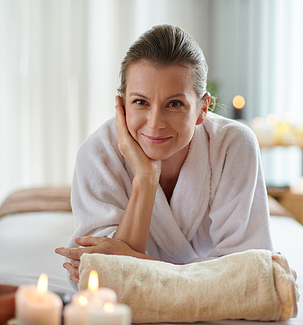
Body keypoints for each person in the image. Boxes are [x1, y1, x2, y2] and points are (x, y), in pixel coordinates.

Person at [55, 24, 272, 288]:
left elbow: (246, 275)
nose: (155, 123)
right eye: (140, 102)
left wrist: (137, 265)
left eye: (174, 104)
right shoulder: (97, 155)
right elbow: (101, 285)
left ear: (203, 108)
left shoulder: (234, 145)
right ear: (121, 104)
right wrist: (145, 179)